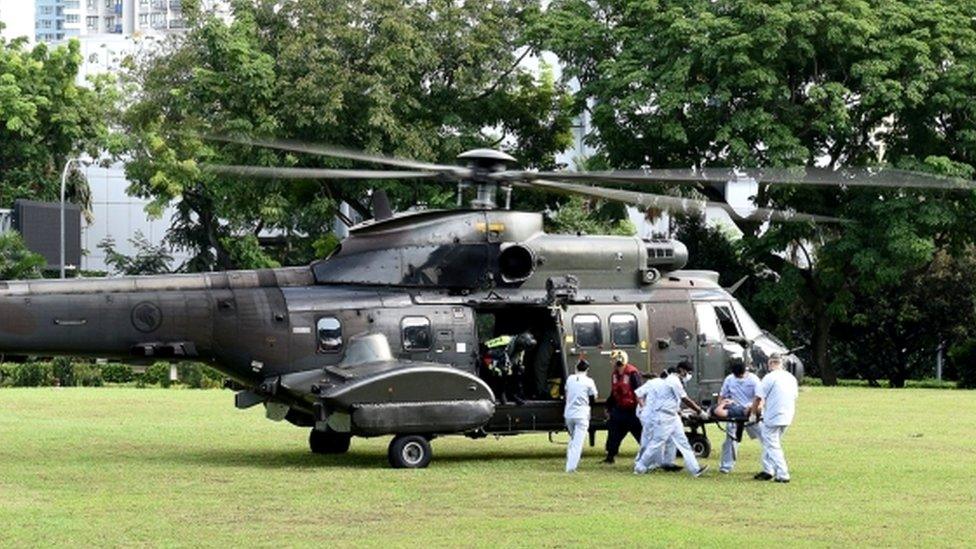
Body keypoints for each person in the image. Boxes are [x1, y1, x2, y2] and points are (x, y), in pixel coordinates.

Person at [634, 361, 710, 477]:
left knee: (683, 442)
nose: (689, 375)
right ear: (682, 370)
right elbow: (686, 400)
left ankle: (695, 469)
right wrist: (700, 411)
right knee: (656, 443)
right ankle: (640, 467)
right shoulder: (674, 381)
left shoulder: (675, 381)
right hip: (664, 417)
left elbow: (675, 401)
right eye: (688, 373)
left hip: (673, 417)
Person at [752, 353, 799, 483]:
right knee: (771, 443)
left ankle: (783, 474)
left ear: (771, 363)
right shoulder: (791, 378)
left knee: (772, 445)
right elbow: (794, 396)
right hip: (788, 415)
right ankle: (768, 470)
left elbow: (758, 398)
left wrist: (753, 414)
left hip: (773, 416)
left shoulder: (769, 377)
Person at [716, 358, 761, 474]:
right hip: (735, 412)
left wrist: (754, 412)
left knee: (765, 438)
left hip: (750, 411)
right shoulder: (730, 379)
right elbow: (721, 396)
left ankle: (771, 466)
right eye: (736, 375)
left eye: (740, 375)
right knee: (730, 440)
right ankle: (726, 466)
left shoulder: (754, 380)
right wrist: (723, 404)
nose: (738, 377)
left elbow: (760, 398)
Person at [633, 370, 680, 471]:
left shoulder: (669, 385)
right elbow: (638, 393)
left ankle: (666, 463)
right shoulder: (654, 383)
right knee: (649, 439)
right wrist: (643, 407)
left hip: (659, 415)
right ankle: (642, 462)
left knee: (668, 439)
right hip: (649, 415)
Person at [602, 350, 643, 464]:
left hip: (633, 410)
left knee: (640, 435)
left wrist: (642, 408)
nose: (611, 362)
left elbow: (639, 391)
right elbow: (614, 392)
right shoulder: (615, 374)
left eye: (613, 360)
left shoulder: (632, 373)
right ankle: (610, 456)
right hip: (620, 409)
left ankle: (649, 457)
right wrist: (608, 406)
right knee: (613, 433)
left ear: (619, 360)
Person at [483, 331, 537, 405]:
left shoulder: (521, 350)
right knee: (502, 371)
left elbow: (518, 361)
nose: (522, 349)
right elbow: (486, 346)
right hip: (490, 359)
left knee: (518, 371)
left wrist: (520, 367)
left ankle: (514, 394)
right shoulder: (505, 340)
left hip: (505, 363)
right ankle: (501, 393)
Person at [564, 359, 598, 473]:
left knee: (573, 439)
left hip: (569, 414)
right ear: (587, 369)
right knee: (578, 442)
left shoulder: (570, 379)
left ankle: (570, 461)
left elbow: (567, 392)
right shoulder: (589, 381)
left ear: (576, 368)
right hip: (582, 414)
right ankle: (571, 467)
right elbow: (593, 397)